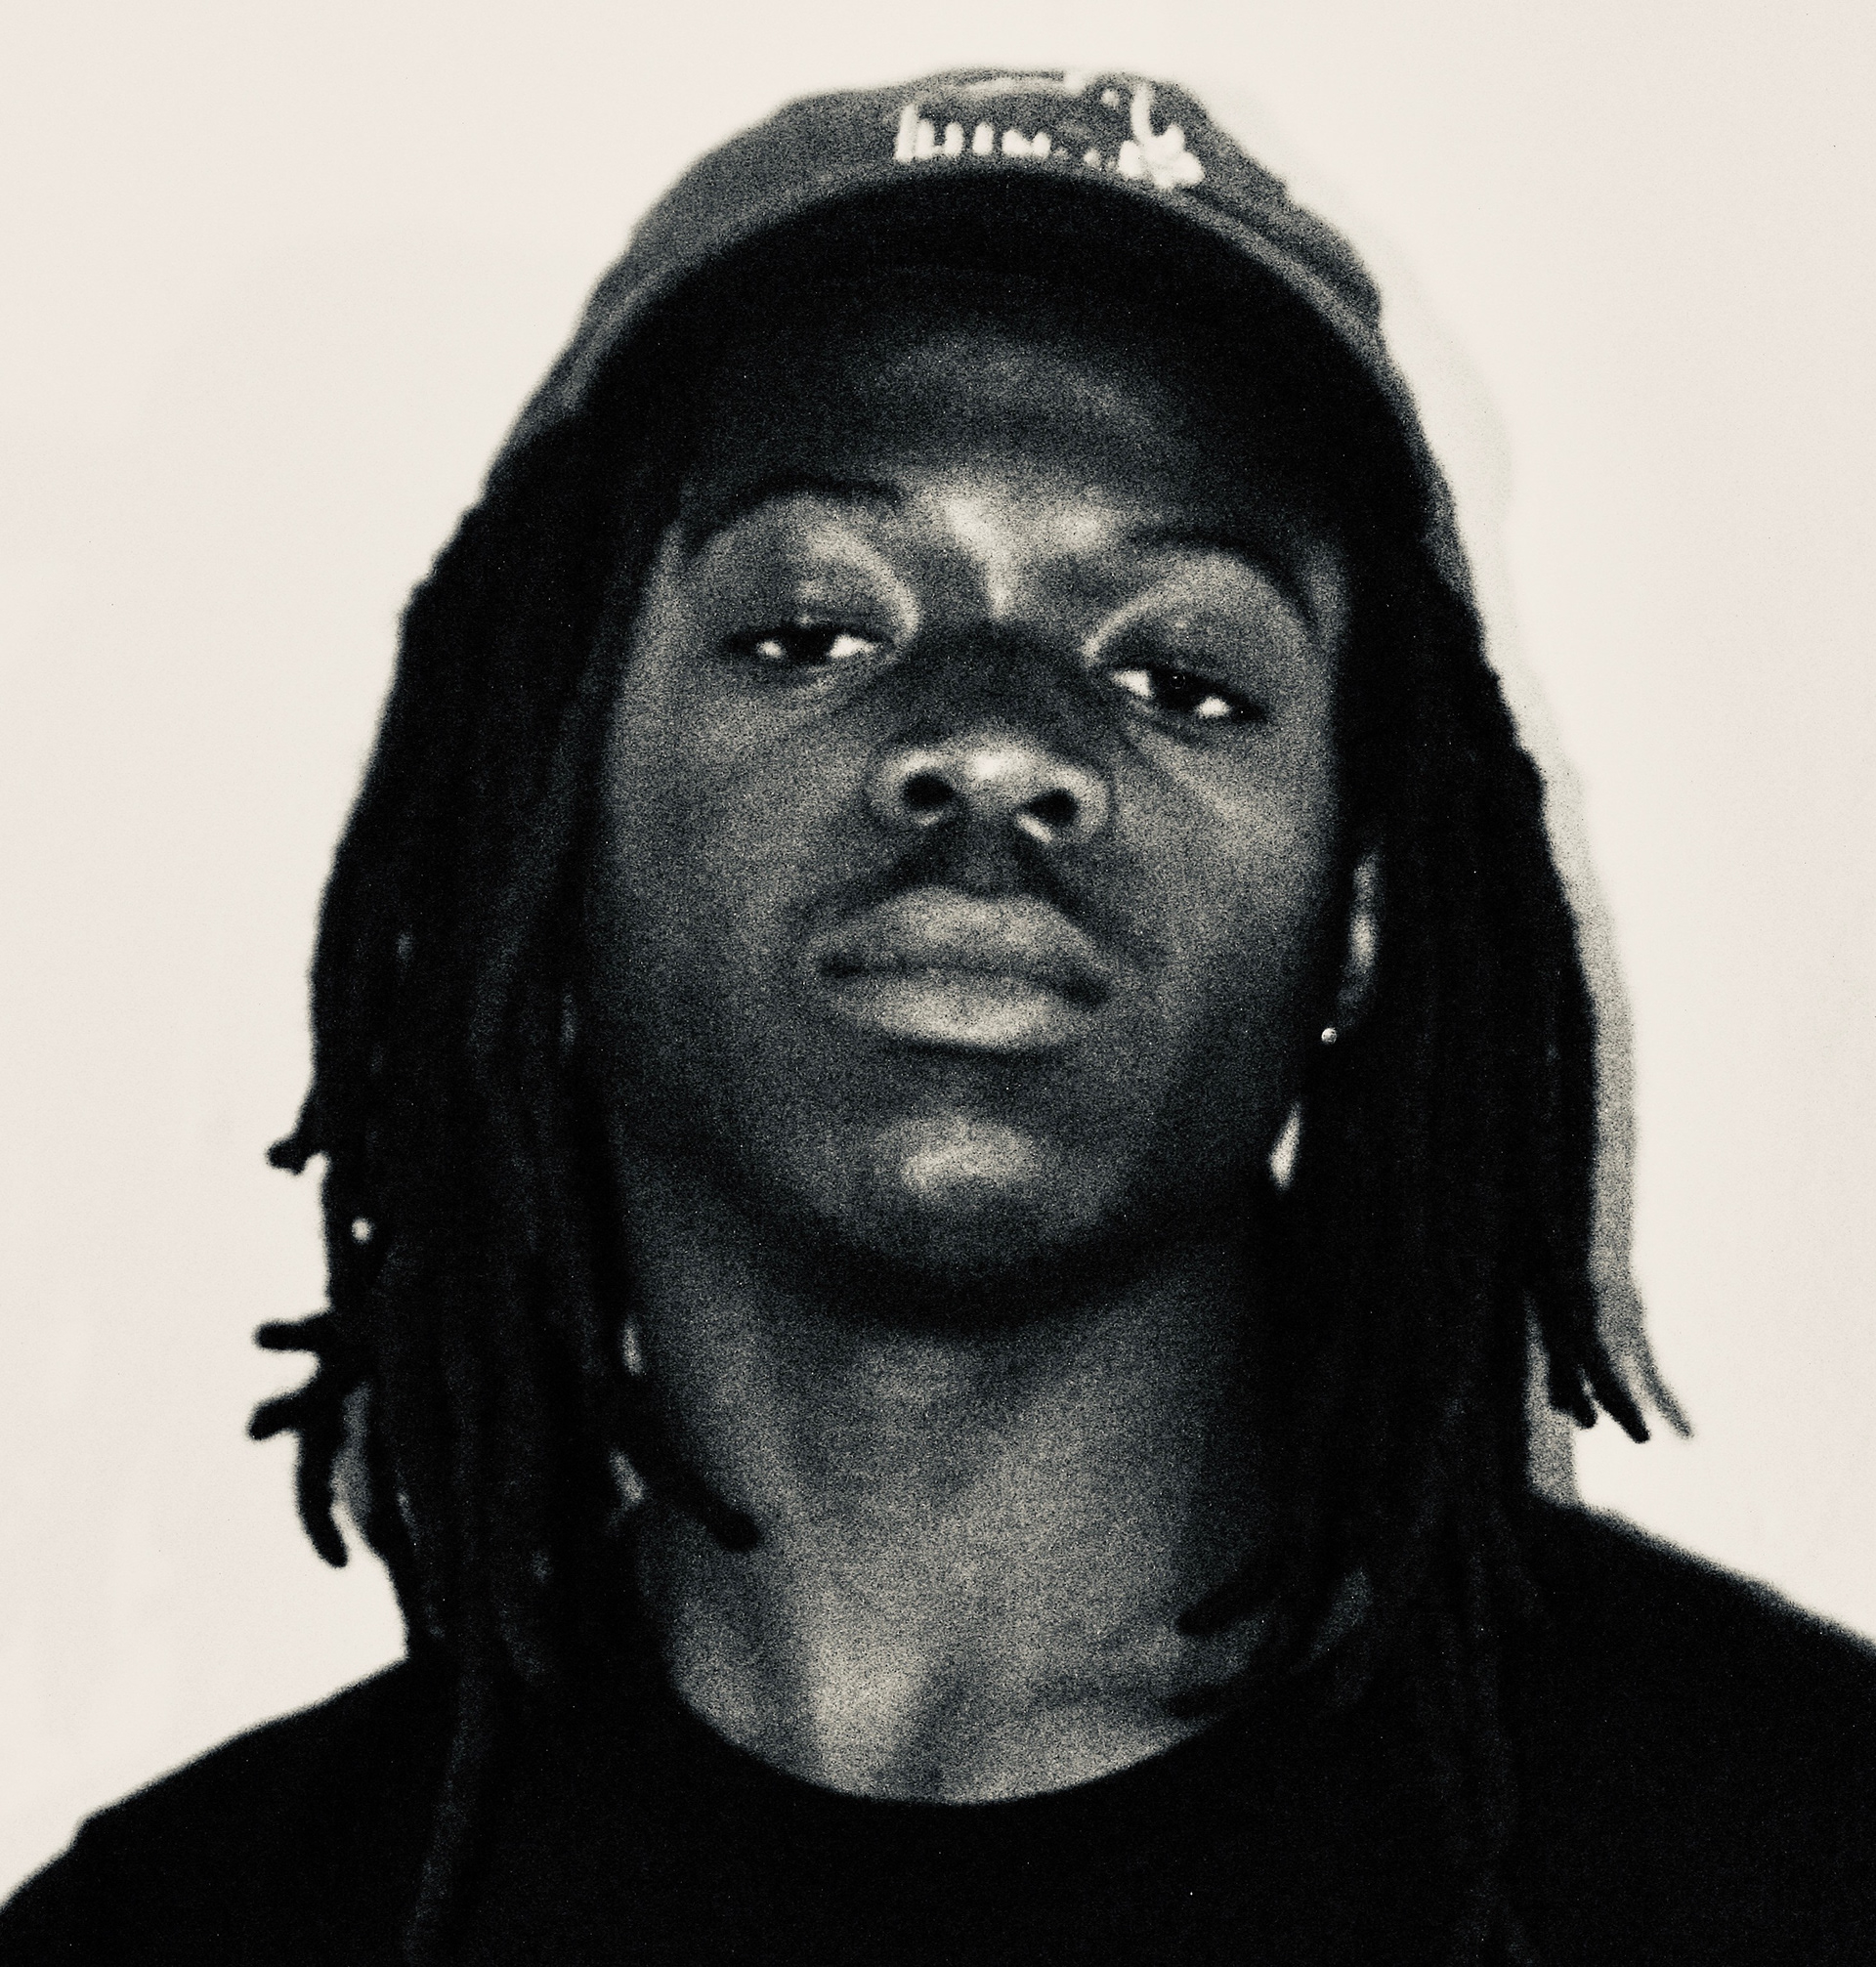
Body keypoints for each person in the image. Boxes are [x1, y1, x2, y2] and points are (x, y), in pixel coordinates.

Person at [3, 66, 1872, 1967]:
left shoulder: (1800, 1871)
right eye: (815, 626)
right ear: (549, 812)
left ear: (1364, 904)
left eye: (1182, 670)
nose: (992, 742)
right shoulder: (182, 1941)